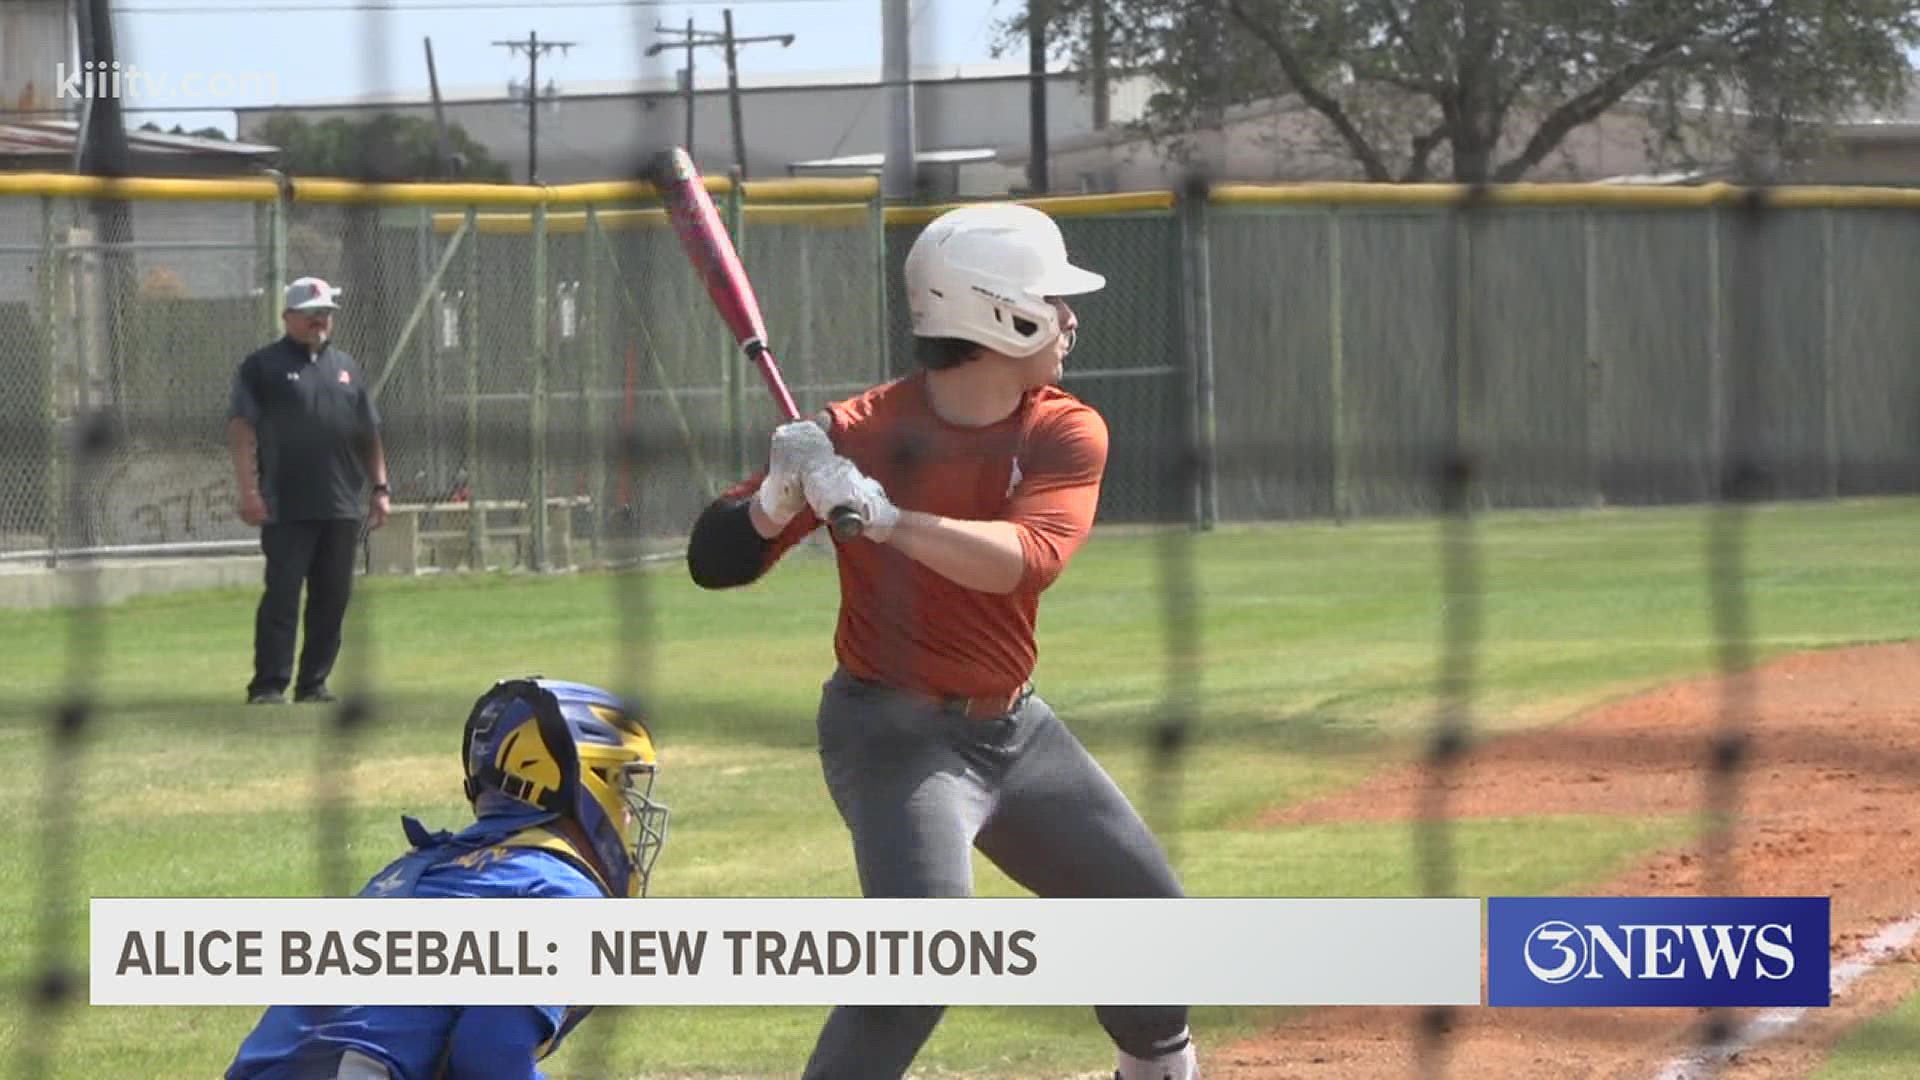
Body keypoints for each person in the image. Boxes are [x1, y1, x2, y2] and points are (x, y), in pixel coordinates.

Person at [686, 204, 1200, 1080]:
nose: (1070, 319)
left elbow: (1026, 561)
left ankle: (1156, 1067)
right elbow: (712, 561)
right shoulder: (853, 435)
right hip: (890, 732)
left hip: (1014, 730)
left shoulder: (1063, 426)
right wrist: (774, 501)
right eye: (1054, 300)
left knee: (1150, 918)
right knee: (921, 954)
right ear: (1001, 312)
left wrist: (888, 519)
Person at [225, 676, 671, 1080]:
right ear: (581, 785)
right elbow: (491, 1054)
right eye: (621, 785)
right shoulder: (561, 891)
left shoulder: (426, 867)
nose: (629, 812)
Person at [228, 276, 391, 706]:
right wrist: (248, 490)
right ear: (289, 316)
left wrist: (380, 487)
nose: (321, 319)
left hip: (340, 504)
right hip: (285, 504)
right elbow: (242, 429)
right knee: (282, 595)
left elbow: (368, 432)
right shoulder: (262, 367)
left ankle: (314, 683)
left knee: (333, 598)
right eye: (312, 312)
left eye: (327, 312)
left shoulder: (347, 367)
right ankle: (268, 685)